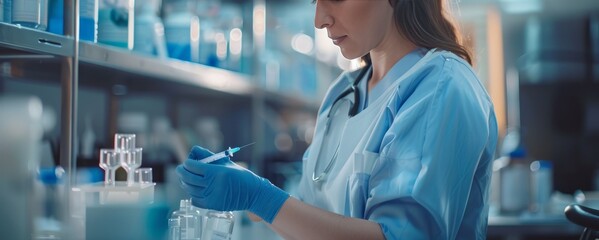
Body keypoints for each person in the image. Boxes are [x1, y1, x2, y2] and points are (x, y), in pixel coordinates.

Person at [177, 0, 498, 239]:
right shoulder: (343, 93)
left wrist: (260, 197)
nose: (319, 19)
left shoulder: (441, 86)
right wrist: (246, 189)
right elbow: (307, 213)